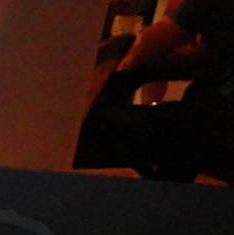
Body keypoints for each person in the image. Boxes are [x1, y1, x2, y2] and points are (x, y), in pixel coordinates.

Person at [76, 0, 234, 180]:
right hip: (215, 127)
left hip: (214, 125)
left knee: (97, 129)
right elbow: (204, 60)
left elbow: (144, 51)